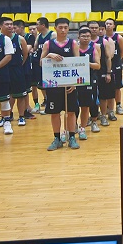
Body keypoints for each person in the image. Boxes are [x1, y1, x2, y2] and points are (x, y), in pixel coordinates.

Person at [41, 17, 81, 151]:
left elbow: (78, 63)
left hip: (69, 84)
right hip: (53, 84)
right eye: (60, 27)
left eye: (65, 27)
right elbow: (41, 62)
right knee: (54, 113)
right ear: (55, 28)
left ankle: (72, 137)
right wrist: (49, 56)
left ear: (68, 29)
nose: (63, 30)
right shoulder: (48, 44)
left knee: (71, 112)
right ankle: (57, 138)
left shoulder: (73, 43)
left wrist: (75, 83)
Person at [75, 26, 101, 140]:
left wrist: (85, 63)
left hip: (89, 79)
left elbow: (98, 65)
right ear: (78, 37)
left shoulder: (93, 49)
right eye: (83, 36)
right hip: (75, 80)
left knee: (87, 105)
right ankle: (74, 125)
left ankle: (84, 127)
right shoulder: (74, 49)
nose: (86, 38)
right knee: (74, 105)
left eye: (88, 36)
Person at [103, 18, 123, 116]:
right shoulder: (102, 38)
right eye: (106, 23)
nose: (108, 25)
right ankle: (107, 108)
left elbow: (122, 52)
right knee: (107, 87)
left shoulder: (118, 37)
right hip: (105, 66)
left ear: (114, 26)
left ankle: (118, 105)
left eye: (110, 24)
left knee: (117, 86)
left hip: (116, 65)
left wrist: (117, 62)